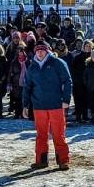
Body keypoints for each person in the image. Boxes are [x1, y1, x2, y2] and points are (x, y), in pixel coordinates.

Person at [22, 41, 73, 170]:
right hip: (39, 105)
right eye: (37, 50)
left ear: (47, 50)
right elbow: (27, 86)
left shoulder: (57, 63)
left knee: (58, 133)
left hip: (56, 104)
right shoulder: (32, 67)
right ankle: (41, 160)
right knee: (41, 134)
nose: (39, 52)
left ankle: (63, 160)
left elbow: (67, 81)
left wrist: (66, 99)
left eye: (42, 50)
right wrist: (25, 105)